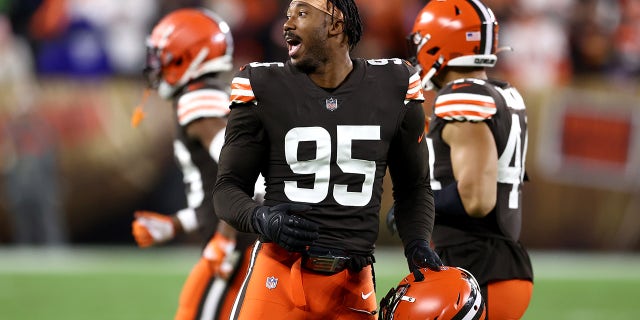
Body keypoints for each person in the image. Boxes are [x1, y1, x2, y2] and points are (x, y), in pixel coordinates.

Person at [213, 1, 443, 319]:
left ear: (337, 24)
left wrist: (417, 244)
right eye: (288, 14)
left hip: (352, 282)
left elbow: (414, 186)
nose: (287, 24)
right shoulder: (262, 85)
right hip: (279, 275)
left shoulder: (394, 84)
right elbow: (227, 188)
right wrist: (262, 219)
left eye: (303, 13)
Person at [129, 8, 264, 320]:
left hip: (240, 246)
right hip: (244, 241)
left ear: (185, 57)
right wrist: (175, 224)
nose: (154, 66)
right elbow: (217, 195)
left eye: (161, 56)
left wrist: (225, 239)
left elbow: (245, 174)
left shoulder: (197, 102)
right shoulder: (208, 96)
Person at [405, 0, 534, 318]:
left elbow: (476, 198)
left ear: (438, 43)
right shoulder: (502, 92)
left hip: (479, 265)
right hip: (494, 264)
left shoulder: (463, 95)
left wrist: (418, 202)